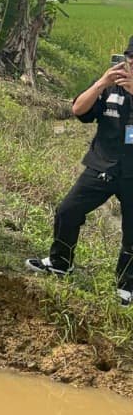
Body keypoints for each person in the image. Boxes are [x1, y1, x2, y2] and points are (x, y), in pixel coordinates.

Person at [27, 40, 133, 307]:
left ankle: (127, 286)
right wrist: (100, 82)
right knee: (68, 210)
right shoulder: (109, 87)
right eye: (130, 60)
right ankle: (61, 262)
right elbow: (78, 110)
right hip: (103, 164)